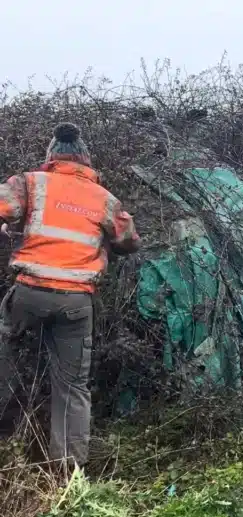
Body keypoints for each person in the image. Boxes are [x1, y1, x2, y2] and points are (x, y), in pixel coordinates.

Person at [0, 122, 140, 470]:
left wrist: (10, 228)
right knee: (72, 387)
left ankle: (7, 442)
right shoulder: (104, 198)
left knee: (6, 357)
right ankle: (67, 476)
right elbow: (130, 241)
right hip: (76, 303)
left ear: (51, 157)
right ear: (86, 161)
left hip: (30, 293)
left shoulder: (30, 183)